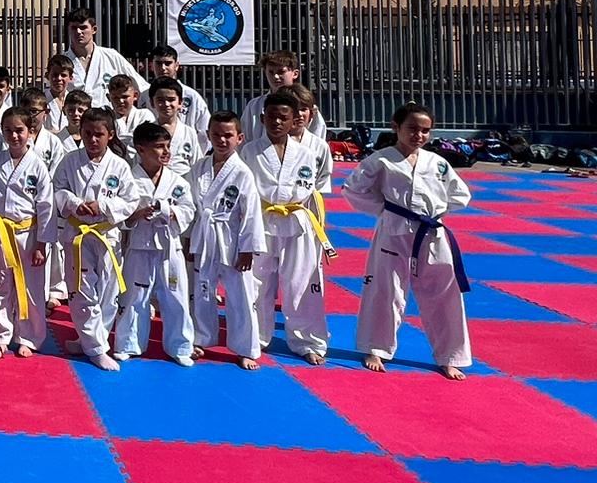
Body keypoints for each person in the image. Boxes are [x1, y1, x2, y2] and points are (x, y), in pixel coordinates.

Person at [344, 102, 474, 379]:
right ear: (396, 127)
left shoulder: (438, 163)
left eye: (425, 130)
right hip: (394, 231)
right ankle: (377, 348)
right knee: (386, 291)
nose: (419, 135)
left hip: (432, 233)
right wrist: (384, 209)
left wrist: (437, 212)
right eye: (412, 128)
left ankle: (451, 356)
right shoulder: (381, 160)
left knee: (445, 293)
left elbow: (461, 195)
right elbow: (354, 189)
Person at [241, 90, 332, 364]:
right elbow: (244, 191)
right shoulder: (249, 151)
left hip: (298, 221)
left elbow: (316, 188)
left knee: (302, 282)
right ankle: (254, 338)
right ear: (262, 118)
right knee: (257, 283)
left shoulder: (307, 153)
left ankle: (307, 341)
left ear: (294, 121)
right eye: (271, 117)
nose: (277, 122)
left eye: (284, 118)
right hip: (262, 220)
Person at [55, 109, 136, 370]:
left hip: (106, 235)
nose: (92, 139)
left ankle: (89, 339)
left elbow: (131, 200)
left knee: (109, 294)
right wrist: (75, 204)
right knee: (82, 291)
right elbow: (57, 190)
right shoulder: (69, 161)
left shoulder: (120, 166)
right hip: (78, 234)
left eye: (98, 134)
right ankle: (97, 348)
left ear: (110, 135)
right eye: (87, 133)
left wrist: (102, 205)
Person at [112, 122, 196, 366]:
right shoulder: (129, 179)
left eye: (167, 146)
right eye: (159, 147)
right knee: (134, 297)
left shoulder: (177, 181)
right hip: (139, 246)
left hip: (170, 248)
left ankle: (180, 347)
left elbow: (188, 210)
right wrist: (137, 214)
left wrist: (169, 211)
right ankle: (128, 344)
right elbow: (120, 213)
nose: (165, 151)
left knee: (176, 298)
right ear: (140, 149)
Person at [189, 111, 266, 369]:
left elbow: (251, 211)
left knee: (241, 295)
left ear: (240, 138)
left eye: (228, 135)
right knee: (202, 291)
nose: (222, 140)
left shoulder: (242, 171)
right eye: (216, 135)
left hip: (232, 239)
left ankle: (246, 348)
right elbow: (190, 206)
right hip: (205, 236)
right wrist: (191, 240)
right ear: (208, 135)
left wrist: (248, 249)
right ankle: (203, 338)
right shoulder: (199, 167)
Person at [0, 106, 54, 359]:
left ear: (31, 132)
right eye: (8, 130)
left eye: (19, 130)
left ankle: (28, 337)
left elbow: (46, 207)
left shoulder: (38, 166)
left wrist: (42, 244)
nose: (14, 136)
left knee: (31, 288)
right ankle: (1, 338)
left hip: (27, 234)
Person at [63, 7, 147, 108]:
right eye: (74, 28)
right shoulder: (62, 61)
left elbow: (141, 86)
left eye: (83, 27)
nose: (78, 32)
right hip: (75, 119)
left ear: (94, 29)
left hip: (108, 119)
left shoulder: (111, 56)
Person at [242, 51, 327, 140]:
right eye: (271, 72)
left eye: (281, 72)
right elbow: (245, 137)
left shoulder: (306, 106)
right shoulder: (254, 106)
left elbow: (318, 136)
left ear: (295, 74)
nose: (275, 76)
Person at [141, 45, 211, 136]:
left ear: (177, 66)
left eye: (167, 63)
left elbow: (204, 130)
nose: (163, 68)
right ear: (151, 66)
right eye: (158, 63)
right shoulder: (144, 96)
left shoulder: (191, 96)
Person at [146, 77, 205, 176]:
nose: (166, 104)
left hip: (183, 185)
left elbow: (197, 166)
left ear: (180, 103)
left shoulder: (189, 132)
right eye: (160, 100)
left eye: (171, 100)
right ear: (152, 102)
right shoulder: (146, 132)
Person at [107, 74, 155, 148]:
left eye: (125, 97)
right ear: (108, 97)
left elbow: (147, 141)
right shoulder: (106, 118)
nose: (120, 101)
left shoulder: (144, 115)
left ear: (135, 95)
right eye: (115, 98)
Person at [43, 54, 75, 134]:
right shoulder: (41, 99)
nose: (59, 78)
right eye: (55, 74)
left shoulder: (74, 101)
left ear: (70, 78)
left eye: (63, 75)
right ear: (47, 76)